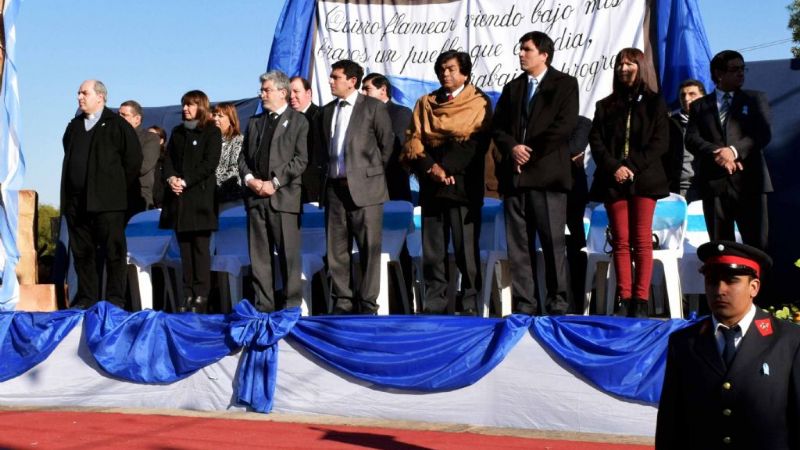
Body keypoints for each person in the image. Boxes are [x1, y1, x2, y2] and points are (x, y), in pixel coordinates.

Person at [656, 240, 800, 449]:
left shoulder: (788, 340)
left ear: (754, 287)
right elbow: (671, 424)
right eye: (712, 281)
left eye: (731, 281)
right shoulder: (685, 343)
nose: (720, 290)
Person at [492, 31, 578, 316]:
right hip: (516, 179)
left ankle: (557, 302)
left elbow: (563, 127)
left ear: (544, 54)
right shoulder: (513, 88)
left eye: (527, 49)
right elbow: (499, 128)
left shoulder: (564, 84)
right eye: (520, 49)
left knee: (553, 244)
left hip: (548, 177)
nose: (521, 54)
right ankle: (525, 303)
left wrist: (528, 152)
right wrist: (513, 148)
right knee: (519, 247)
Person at [401, 51, 492, 315]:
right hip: (432, 185)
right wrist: (431, 168)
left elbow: (476, 143)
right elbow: (413, 141)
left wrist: (448, 168)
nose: (445, 74)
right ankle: (435, 303)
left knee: (466, 250)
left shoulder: (478, 102)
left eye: (451, 69)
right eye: (442, 69)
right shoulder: (426, 103)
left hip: (462, 185)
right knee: (433, 251)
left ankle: (470, 303)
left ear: (465, 72)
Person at [588, 48, 670, 318]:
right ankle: (624, 298)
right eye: (620, 64)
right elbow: (597, 142)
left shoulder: (656, 103)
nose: (624, 68)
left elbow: (660, 142)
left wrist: (632, 166)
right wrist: (615, 167)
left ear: (640, 67)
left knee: (642, 240)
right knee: (621, 241)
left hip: (645, 178)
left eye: (630, 64)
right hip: (614, 180)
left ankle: (641, 300)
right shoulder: (605, 105)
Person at [314, 59, 394, 315]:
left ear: (351, 81)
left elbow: (387, 145)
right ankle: (343, 301)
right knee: (336, 249)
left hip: (365, 190)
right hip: (334, 189)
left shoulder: (372, 107)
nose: (330, 81)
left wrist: (367, 174)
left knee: (369, 248)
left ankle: (368, 303)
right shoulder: (326, 112)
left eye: (335, 77)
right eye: (330, 76)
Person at [61, 80, 142, 309]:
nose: (79, 97)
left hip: (108, 203)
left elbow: (133, 160)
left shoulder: (117, 125)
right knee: (82, 254)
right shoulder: (74, 126)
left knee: (113, 253)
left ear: (100, 97)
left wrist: (114, 187)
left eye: (84, 92)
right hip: (77, 203)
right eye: (78, 92)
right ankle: (87, 298)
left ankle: (115, 300)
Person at [685, 50, 772, 251]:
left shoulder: (755, 99)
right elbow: (691, 139)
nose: (741, 73)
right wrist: (719, 154)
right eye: (735, 69)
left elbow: (763, 134)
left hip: (750, 183)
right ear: (718, 73)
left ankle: (758, 283)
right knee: (721, 247)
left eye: (743, 69)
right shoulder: (699, 105)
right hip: (715, 184)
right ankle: (724, 283)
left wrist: (733, 151)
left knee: (756, 246)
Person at [238, 70, 308, 312]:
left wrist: (274, 183)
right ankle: (263, 306)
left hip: (283, 199)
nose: (262, 94)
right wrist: (250, 180)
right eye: (262, 90)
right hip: (256, 199)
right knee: (259, 258)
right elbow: (243, 158)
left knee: (288, 257)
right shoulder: (256, 122)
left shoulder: (298, 121)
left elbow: (300, 160)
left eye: (267, 90)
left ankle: (290, 308)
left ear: (282, 92)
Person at [159, 90, 222, 314]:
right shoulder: (177, 132)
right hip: (179, 202)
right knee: (184, 251)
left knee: (200, 250)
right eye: (184, 105)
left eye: (191, 105)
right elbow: (167, 161)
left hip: (201, 201)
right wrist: (171, 179)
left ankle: (202, 296)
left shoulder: (212, 132)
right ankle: (187, 294)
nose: (185, 109)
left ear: (201, 107)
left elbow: (210, 163)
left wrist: (186, 181)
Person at [362, 72, 413, 202]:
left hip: (392, 183)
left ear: (383, 90)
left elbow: (396, 147)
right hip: (365, 185)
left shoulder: (400, 112)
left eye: (367, 89)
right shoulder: (361, 115)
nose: (363, 93)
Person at [119, 100, 161, 212]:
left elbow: (142, 166)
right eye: (118, 115)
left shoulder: (150, 138)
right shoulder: (112, 139)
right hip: (115, 198)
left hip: (139, 197)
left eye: (124, 115)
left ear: (137, 119)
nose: (119, 118)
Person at [668, 79, 706, 200]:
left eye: (692, 94)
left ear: (703, 97)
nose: (686, 98)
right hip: (677, 188)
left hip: (707, 186)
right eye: (682, 95)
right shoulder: (670, 123)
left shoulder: (714, 121)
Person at [290, 76, 322, 204]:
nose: (291, 96)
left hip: (313, 190)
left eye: (296, 91)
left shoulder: (321, 116)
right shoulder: (287, 120)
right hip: (290, 190)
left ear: (308, 93)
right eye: (289, 92)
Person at [212, 102, 244, 208]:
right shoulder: (209, 141)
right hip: (208, 197)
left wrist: (208, 184)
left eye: (220, 116)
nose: (215, 118)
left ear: (231, 120)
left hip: (230, 200)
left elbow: (235, 169)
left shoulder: (238, 140)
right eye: (214, 115)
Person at [147, 125, 167, 209]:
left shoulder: (165, 160)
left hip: (161, 204)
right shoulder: (140, 158)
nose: (148, 139)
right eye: (147, 135)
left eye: (152, 136)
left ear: (161, 141)